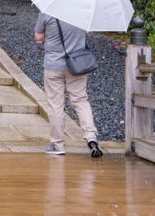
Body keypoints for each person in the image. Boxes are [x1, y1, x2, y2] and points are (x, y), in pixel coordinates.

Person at [34, 12, 104, 157]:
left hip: (53, 65)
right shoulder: (80, 12)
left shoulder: (47, 12)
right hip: (77, 64)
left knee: (56, 104)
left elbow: (38, 37)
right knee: (80, 100)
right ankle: (91, 136)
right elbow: (84, 32)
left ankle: (57, 144)